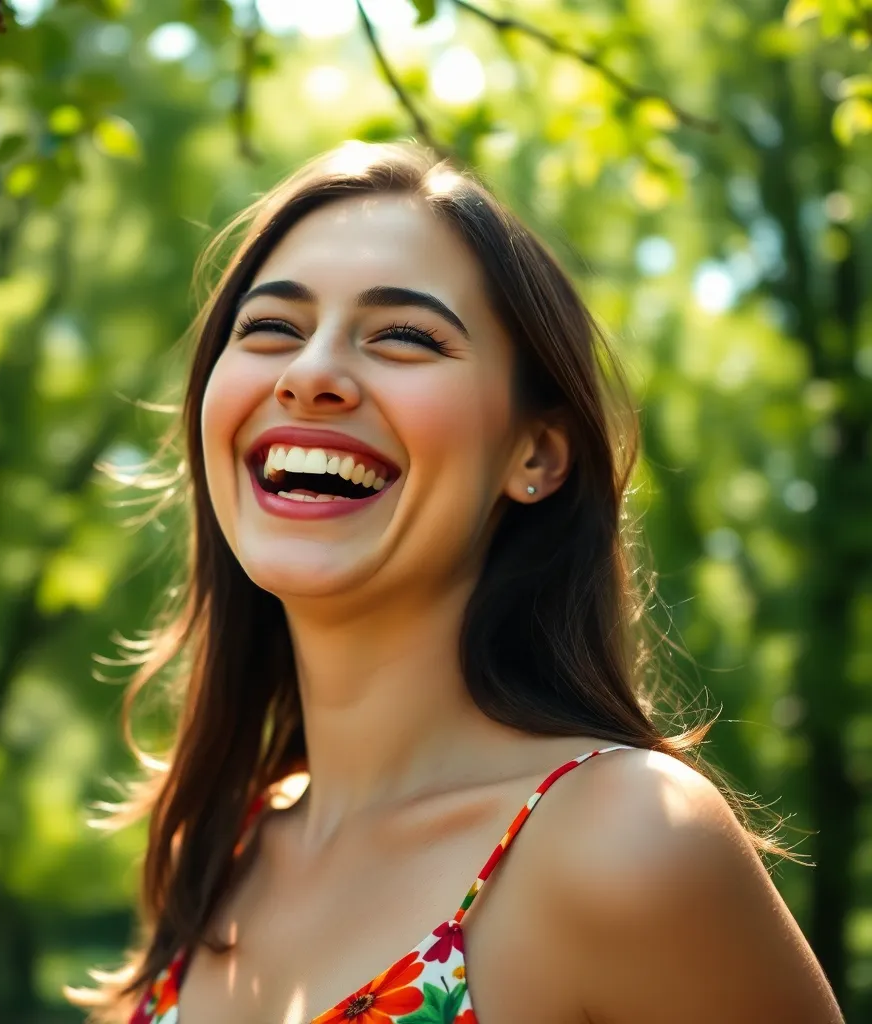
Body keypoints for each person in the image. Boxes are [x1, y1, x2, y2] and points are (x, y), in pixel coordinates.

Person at [68, 140, 844, 1024]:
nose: (309, 374)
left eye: (405, 336)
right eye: (271, 328)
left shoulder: (628, 837)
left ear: (535, 455)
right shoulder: (219, 852)